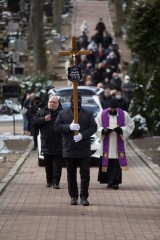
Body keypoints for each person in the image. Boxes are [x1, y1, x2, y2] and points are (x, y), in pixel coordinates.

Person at [54, 93, 97, 206]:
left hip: (84, 150)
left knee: (85, 175)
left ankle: (84, 196)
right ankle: (73, 196)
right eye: (74, 100)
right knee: (71, 175)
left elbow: (93, 127)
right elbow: (56, 127)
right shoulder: (63, 114)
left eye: (79, 100)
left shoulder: (87, 114)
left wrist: (83, 135)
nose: (76, 102)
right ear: (71, 101)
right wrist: (69, 127)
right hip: (69, 149)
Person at [95, 97, 135, 189]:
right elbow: (96, 125)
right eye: (111, 108)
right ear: (108, 107)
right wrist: (103, 131)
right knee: (107, 163)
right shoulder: (101, 114)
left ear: (117, 107)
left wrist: (121, 130)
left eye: (114, 109)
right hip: (106, 143)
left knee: (116, 163)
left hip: (118, 144)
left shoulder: (124, 114)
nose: (112, 110)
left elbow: (131, 125)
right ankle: (109, 181)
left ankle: (116, 182)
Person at [32, 96, 63, 189]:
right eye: (50, 102)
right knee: (48, 164)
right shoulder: (42, 112)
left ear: (58, 104)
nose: (52, 104)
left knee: (58, 165)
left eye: (54, 102)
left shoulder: (62, 113)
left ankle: (56, 182)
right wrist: (43, 119)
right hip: (46, 142)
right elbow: (33, 122)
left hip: (59, 143)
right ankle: (49, 181)